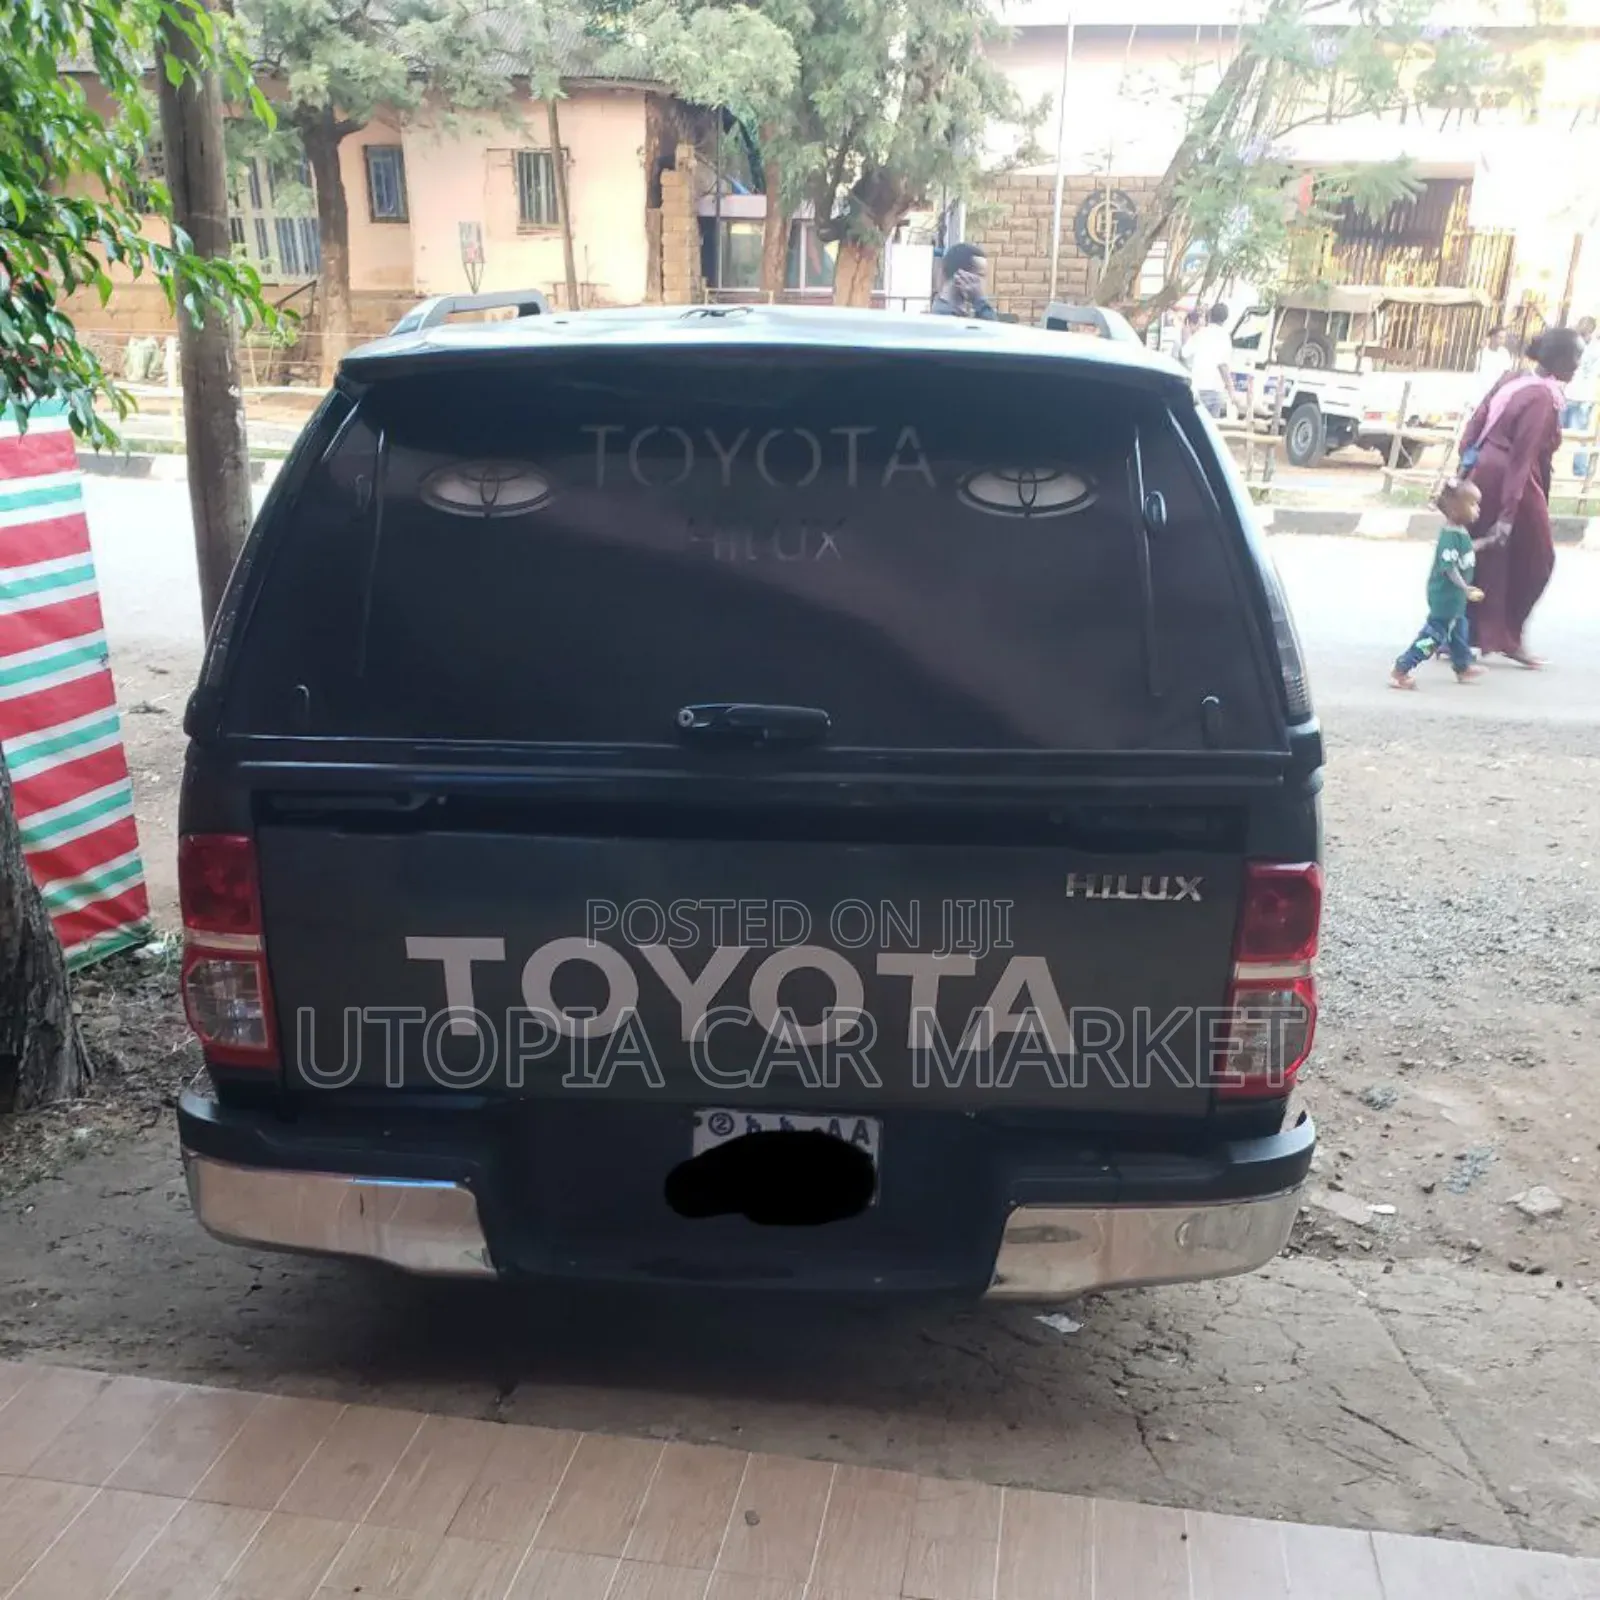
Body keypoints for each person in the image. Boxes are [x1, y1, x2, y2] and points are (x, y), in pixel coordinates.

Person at [1457, 325, 1584, 667]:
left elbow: (1476, 421)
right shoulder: (1543, 397)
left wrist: (1465, 466)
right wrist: (1508, 514)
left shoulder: (1512, 378)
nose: (1577, 365)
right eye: (1574, 357)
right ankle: (1508, 636)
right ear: (1556, 358)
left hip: (1482, 471)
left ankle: (1461, 634)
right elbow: (1523, 456)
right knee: (1538, 559)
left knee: (1484, 559)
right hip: (1511, 478)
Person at [1389, 479, 1495, 690]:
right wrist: (1465, 587)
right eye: (1473, 505)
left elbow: (1465, 550)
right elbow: (1449, 567)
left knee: (1459, 631)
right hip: (1445, 598)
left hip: (1455, 600)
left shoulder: (1460, 533)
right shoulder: (1449, 535)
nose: (1478, 510)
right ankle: (1402, 668)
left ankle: (1462, 666)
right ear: (1456, 510)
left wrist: (1485, 543)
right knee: (1433, 638)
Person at [1183, 303, 1236, 419]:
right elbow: (1223, 366)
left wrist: (1186, 333)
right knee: (1211, 429)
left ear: (1210, 316)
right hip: (1215, 390)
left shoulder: (1201, 333)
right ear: (1225, 319)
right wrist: (1231, 389)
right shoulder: (1224, 337)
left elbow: (1184, 352)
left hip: (1198, 388)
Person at [930, 244, 997, 321]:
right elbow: (992, 329)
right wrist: (979, 301)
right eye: (981, 275)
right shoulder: (946, 317)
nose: (984, 281)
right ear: (962, 276)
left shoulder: (954, 312)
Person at [1472, 325, 1513, 404]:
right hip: (1482, 391)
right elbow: (1478, 372)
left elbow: (1507, 372)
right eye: (1500, 337)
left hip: (1498, 391)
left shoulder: (1505, 353)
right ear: (1492, 337)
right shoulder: (1482, 352)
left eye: (1504, 338)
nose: (1502, 340)